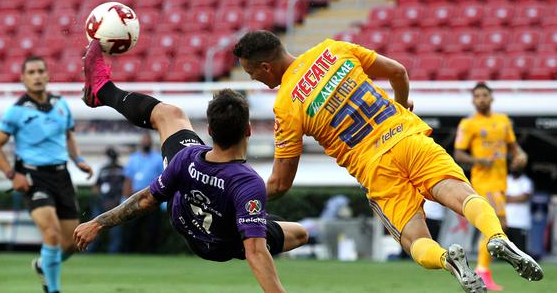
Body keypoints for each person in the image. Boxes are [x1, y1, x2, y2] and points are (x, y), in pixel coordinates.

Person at [232, 30, 543, 292]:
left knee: (414, 240)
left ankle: (449, 260)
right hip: (405, 136)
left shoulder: (287, 105)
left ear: (265, 67)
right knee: (460, 193)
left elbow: (281, 183)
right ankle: (496, 236)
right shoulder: (333, 49)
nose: (255, 79)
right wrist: (401, 105)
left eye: (252, 73)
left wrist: (240, 197)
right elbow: (398, 72)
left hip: (375, 168)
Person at [74, 40, 308, 292]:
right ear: (249, 130)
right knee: (300, 233)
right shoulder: (247, 183)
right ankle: (245, 218)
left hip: (183, 219)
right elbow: (255, 252)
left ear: (208, 131)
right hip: (223, 245)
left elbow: (144, 200)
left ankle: (103, 90)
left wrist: (97, 223)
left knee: (168, 114)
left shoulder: (187, 158)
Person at [0, 56, 93, 293]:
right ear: (23, 78)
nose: (36, 76)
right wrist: (12, 175)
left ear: (47, 75)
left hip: (62, 176)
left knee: (72, 243)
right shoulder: (15, 112)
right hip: (34, 179)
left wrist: (79, 160)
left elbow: (68, 136)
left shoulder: (61, 104)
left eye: (40, 71)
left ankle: (43, 264)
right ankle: (53, 290)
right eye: (31, 72)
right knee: (51, 234)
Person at [454, 82, 529, 291]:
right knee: (496, 224)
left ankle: (482, 270)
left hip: (500, 182)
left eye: (484, 95)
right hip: (483, 182)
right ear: (473, 100)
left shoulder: (503, 121)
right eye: (477, 96)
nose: (481, 99)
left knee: (495, 226)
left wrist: (520, 156)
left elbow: (514, 147)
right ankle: (482, 271)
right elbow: (459, 153)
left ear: (491, 97)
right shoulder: (468, 124)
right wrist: (480, 161)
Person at [121, 131, 164, 253]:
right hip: (136, 197)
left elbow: (163, 176)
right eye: (144, 140)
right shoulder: (133, 158)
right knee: (133, 226)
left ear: (151, 142)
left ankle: (152, 251)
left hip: (153, 197)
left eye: (147, 140)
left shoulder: (157, 158)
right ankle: (130, 251)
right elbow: (128, 179)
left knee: (153, 227)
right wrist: (124, 197)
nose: (145, 142)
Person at [89, 146, 125, 253]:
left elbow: (125, 186)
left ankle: (113, 252)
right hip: (103, 202)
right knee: (94, 227)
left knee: (115, 232)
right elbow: (96, 186)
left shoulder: (121, 169)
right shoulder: (104, 169)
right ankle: (90, 251)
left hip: (116, 204)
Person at [505, 169, 533, 254]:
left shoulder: (526, 181)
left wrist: (508, 198)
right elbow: (500, 196)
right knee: (505, 252)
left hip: (521, 222)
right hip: (506, 221)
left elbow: (524, 197)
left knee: (520, 252)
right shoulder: (506, 179)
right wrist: (517, 198)